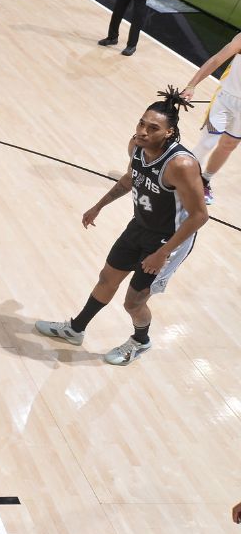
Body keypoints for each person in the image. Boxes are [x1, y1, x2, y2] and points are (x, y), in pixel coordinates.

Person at [35, 88, 208, 366]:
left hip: (168, 240)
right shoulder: (137, 146)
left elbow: (199, 216)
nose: (142, 131)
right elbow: (131, 178)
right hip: (139, 226)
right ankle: (75, 329)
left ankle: (141, 341)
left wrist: (163, 253)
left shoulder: (181, 164)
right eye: (141, 123)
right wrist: (99, 205)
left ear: (169, 133)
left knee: (133, 302)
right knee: (107, 278)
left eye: (153, 128)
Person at [181, 31, 241, 204]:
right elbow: (216, 60)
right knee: (208, 141)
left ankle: (205, 180)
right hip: (225, 101)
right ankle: (181, 175)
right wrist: (192, 85)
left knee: (228, 145)